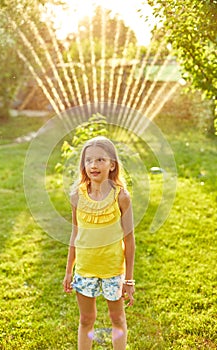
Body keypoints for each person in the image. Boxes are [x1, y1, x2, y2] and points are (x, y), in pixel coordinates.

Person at [63, 136, 135, 350]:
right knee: (86, 320)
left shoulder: (121, 197)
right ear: (83, 165)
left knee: (117, 319)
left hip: (112, 270)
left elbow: (129, 239)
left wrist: (128, 280)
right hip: (85, 270)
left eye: (101, 160)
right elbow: (75, 233)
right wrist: (69, 270)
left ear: (112, 164)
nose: (94, 165)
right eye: (89, 160)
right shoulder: (77, 195)